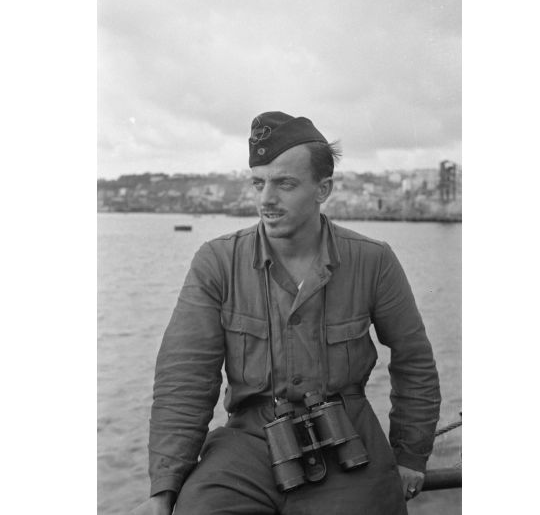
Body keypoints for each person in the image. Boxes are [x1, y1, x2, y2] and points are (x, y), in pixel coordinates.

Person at [135, 111, 441, 515]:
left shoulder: (372, 261)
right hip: (248, 444)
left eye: (284, 183)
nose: (266, 198)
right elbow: (185, 377)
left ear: (323, 189)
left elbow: (413, 361)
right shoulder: (218, 262)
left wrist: (409, 456)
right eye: (258, 183)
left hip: (348, 440)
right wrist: (165, 488)